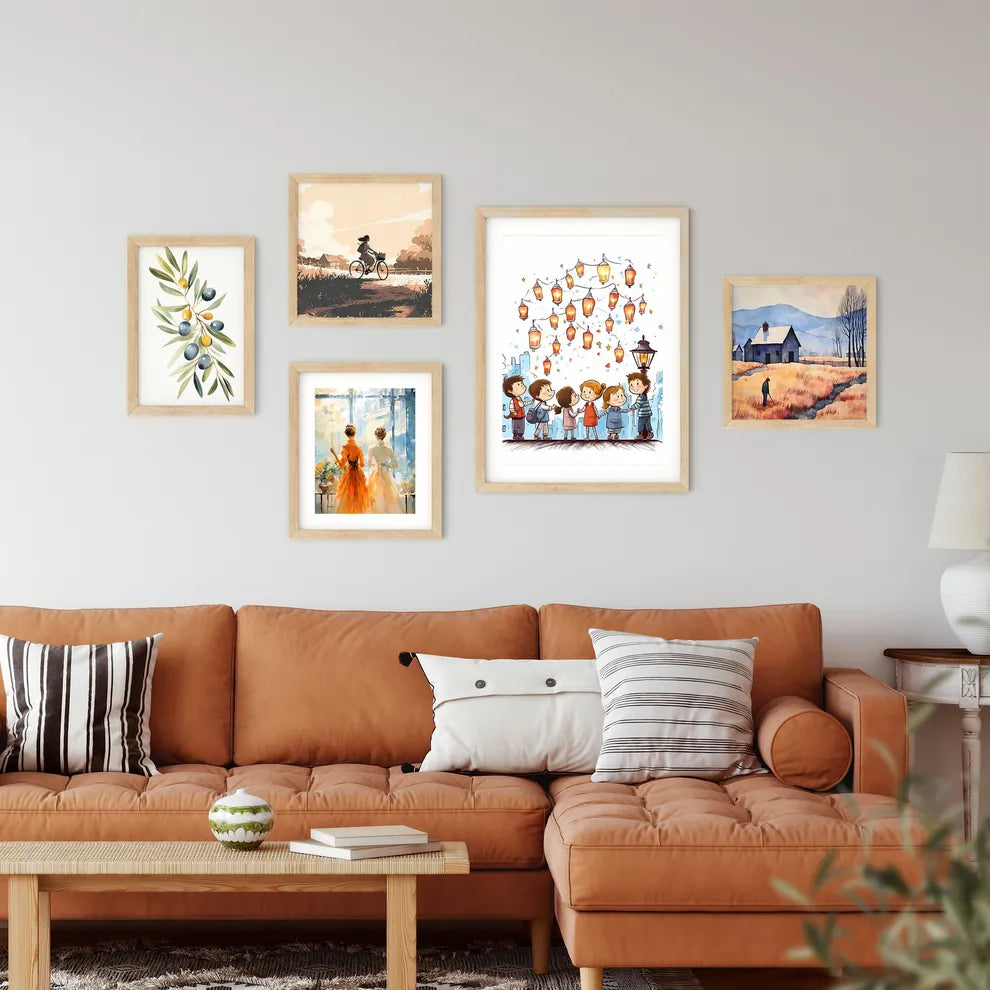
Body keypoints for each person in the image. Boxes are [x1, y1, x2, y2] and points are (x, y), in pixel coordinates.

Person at [332, 425, 369, 513]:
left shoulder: (345, 447)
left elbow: (341, 465)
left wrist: (334, 454)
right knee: (358, 497)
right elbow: (362, 464)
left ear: (346, 435)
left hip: (349, 474)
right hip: (358, 474)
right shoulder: (358, 447)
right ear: (354, 434)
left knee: (348, 496)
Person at [366, 427, 401, 513]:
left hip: (376, 473)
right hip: (385, 473)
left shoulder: (372, 449)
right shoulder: (388, 450)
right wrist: (386, 466)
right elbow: (395, 465)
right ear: (384, 436)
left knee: (376, 494)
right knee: (387, 495)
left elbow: (368, 464)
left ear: (376, 436)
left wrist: (376, 464)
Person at [626, 371, 653, 440]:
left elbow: (637, 404)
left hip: (643, 414)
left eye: (637, 384)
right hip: (648, 413)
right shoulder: (644, 396)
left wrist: (631, 408)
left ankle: (641, 434)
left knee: (640, 424)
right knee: (648, 424)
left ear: (645, 385)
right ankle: (650, 433)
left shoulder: (641, 397)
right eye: (631, 385)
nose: (634, 388)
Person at [502, 375, 530, 440]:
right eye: (518, 384)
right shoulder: (513, 400)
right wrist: (513, 412)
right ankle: (515, 434)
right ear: (509, 390)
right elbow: (511, 407)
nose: (522, 386)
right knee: (515, 426)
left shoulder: (520, 398)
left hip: (522, 415)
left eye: (522, 384)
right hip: (515, 416)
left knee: (522, 426)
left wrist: (530, 402)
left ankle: (521, 435)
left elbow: (523, 404)